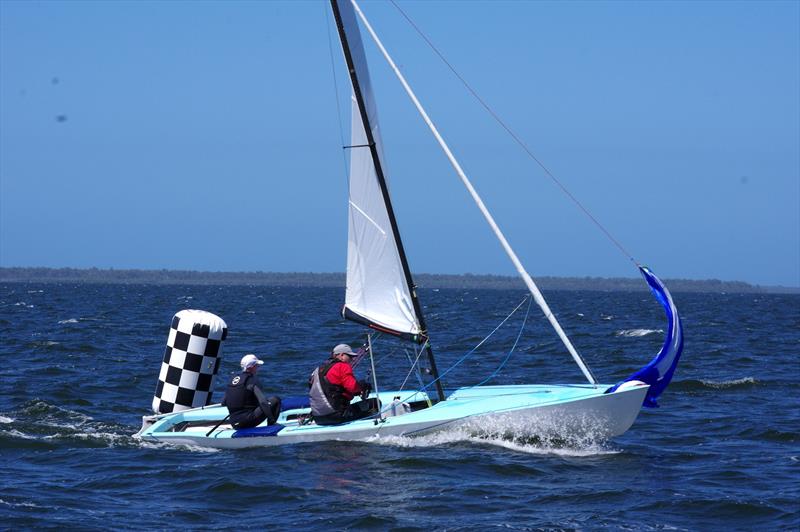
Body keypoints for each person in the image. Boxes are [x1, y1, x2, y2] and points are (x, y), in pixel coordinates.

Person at [308, 343, 375, 425]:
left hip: (318, 418)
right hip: (338, 416)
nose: (352, 359)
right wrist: (362, 387)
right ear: (341, 355)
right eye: (350, 356)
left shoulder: (318, 370)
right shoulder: (342, 366)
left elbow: (325, 388)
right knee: (374, 403)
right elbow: (352, 387)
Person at [223, 353, 282, 429]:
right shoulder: (252, 380)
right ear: (251, 367)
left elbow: (224, 402)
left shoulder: (233, 379)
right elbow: (263, 402)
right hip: (247, 421)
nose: (258, 367)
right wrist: (272, 419)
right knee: (275, 400)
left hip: (234, 422)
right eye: (257, 366)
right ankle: (272, 426)